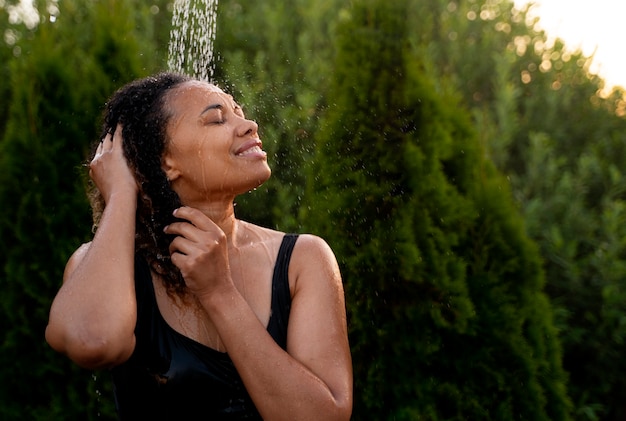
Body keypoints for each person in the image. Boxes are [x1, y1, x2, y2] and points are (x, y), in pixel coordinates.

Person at [45, 72, 353, 420]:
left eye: (239, 111)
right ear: (166, 162)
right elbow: (92, 342)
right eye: (217, 119)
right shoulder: (106, 269)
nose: (249, 124)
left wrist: (219, 291)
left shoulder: (303, 259)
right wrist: (120, 194)